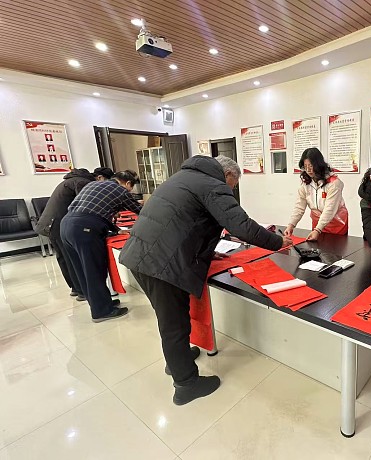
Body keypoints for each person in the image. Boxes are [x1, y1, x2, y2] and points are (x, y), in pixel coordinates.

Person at [119, 156, 293, 406]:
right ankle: (186, 384)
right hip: (161, 263)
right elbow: (241, 226)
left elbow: (182, 222)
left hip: (141, 255)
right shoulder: (213, 184)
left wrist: (207, 252)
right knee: (174, 325)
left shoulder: (183, 177)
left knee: (169, 318)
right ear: (227, 175)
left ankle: (177, 361)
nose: (232, 189)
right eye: (233, 184)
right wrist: (277, 242)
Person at [60, 170, 142, 323]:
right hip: (85, 230)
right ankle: (102, 311)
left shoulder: (93, 184)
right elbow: (141, 212)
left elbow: (93, 209)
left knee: (82, 271)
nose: (130, 191)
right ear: (128, 183)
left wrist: (114, 225)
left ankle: (100, 304)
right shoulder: (121, 191)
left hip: (66, 226)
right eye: (131, 188)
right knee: (94, 270)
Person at [35, 168, 95, 300]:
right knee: (71, 257)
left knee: (63, 257)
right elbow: (85, 205)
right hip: (58, 224)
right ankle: (81, 291)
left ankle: (75, 288)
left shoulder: (69, 181)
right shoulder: (82, 182)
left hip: (49, 224)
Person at [284, 148, 348, 240]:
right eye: (305, 166)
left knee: (335, 247)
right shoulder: (306, 184)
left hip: (336, 224)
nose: (308, 170)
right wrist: (291, 225)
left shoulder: (334, 183)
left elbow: (330, 209)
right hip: (317, 225)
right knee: (317, 247)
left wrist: (318, 229)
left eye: (311, 166)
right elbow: (299, 207)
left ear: (318, 164)